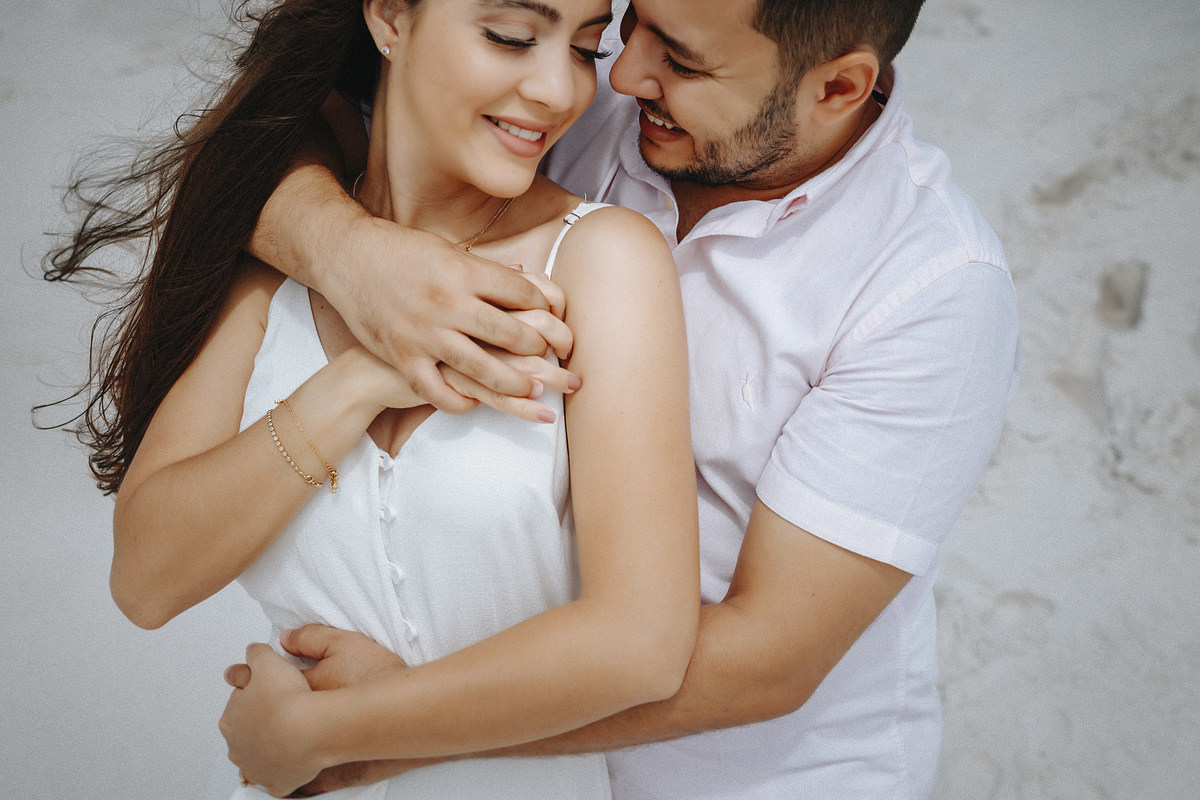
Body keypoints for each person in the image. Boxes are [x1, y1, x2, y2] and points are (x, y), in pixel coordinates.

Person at [220, 0, 1022, 798]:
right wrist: (345, 248)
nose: (625, 70)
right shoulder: (574, 83)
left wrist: (380, 727)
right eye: (629, 25)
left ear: (839, 88)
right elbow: (282, 120)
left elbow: (769, 661)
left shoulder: (933, 291)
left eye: (681, 59)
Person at [45, 0, 701, 797]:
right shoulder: (281, 257)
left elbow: (640, 644)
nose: (558, 89)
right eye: (512, 37)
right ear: (391, 17)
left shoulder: (601, 262)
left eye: (585, 48)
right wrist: (360, 378)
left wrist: (323, 730)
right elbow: (145, 580)